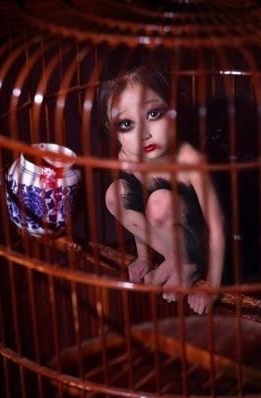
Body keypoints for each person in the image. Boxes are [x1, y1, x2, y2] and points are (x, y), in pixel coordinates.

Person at [100, 64, 226, 315]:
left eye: (154, 114)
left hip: (201, 242)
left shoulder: (190, 160)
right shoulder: (127, 156)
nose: (143, 134)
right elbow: (136, 201)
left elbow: (218, 226)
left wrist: (211, 287)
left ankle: (189, 265)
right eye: (126, 124)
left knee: (159, 202)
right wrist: (143, 257)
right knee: (115, 194)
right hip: (167, 235)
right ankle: (174, 258)